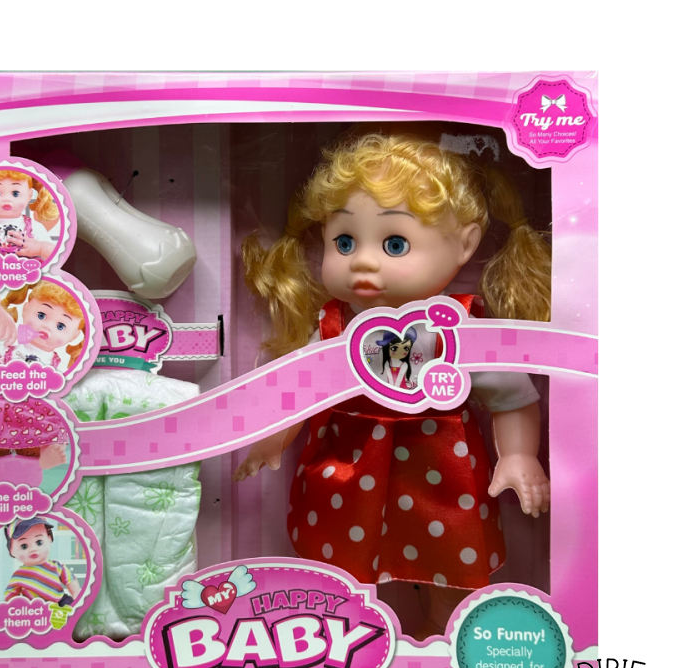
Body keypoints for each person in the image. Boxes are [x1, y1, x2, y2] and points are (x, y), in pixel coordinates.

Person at [234, 132, 551, 634]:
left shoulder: (456, 326)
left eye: (394, 243)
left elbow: (510, 394)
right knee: (340, 572)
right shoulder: (334, 325)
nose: (362, 261)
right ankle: (347, 643)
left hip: (442, 470)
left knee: (452, 571)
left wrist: (518, 455)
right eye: (344, 242)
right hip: (347, 467)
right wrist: (275, 437)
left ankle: (446, 645)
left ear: (465, 244)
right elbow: (301, 388)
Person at [3, 517, 80, 606]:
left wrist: (76, 594)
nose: (33, 549)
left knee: (70, 604)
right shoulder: (19, 575)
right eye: (24, 546)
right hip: (35, 607)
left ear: (49, 538)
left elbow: (70, 580)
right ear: (11, 550)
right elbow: (10, 594)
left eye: (39, 542)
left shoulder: (56, 566)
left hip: (60, 600)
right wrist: (17, 606)